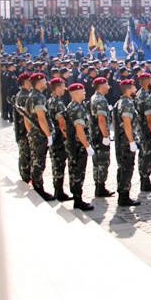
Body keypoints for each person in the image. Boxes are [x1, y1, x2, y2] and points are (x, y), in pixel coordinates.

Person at [25, 73, 56, 201]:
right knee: (39, 162)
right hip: (40, 136)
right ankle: (39, 189)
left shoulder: (31, 96)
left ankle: (37, 186)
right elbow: (41, 118)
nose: (46, 83)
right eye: (44, 81)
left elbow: (26, 117)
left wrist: (30, 131)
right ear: (38, 83)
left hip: (34, 134)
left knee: (35, 160)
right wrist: (48, 135)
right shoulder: (38, 98)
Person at [65, 83, 94, 211]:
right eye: (82, 91)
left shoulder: (71, 106)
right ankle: (78, 199)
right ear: (76, 93)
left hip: (72, 145)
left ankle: (77, 197)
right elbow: (79, 129)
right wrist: (87, 146)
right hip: (78, 146)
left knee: (73, 171)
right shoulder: (78, 108)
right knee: (78, 172)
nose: (84, 93)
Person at [113, 79, 142, 206]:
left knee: (123, 168)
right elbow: (127, 124)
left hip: (121, 141)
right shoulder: (127, 103)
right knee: (126, 169)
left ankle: (123, 195)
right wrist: (131, 141)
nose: (135, 89)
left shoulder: (120, 102)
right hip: (126, 142)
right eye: (134, 87)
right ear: (129, 89)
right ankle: (124, 196)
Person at [46, 77, 73, 202]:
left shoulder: (50, 100)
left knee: (56, 164)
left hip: (54, 137)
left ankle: (58, 189)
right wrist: (69, 139)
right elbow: (62, 123)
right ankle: (59, 192)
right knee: (60, 164)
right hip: (59, 138)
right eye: (63, 86)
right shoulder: (58, 103)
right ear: (57, 87)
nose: (64, 88)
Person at [135, 71, 151, 193]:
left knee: (143, 156)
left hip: (140, 130)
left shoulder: (139, 94)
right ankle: (145, 180)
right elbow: (149, 118)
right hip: (146, 131)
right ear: (146, 81)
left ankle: (144, 180)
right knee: (149, 157)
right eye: (150, 80)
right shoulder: (146, 97)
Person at [89, 77, 115, 198]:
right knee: (103, 162)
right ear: (101, 85)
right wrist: (105, 135)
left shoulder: (94, 98)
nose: (108, 86)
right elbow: (101, 119)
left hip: (94, 134)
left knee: (96, 162)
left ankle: (99, 186)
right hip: (100, 135)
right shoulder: (101, 100)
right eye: (106, 84)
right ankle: (101, 186)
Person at [13, 72, 33, 183]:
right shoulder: (24, 96)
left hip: (22, 129)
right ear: (26, 82)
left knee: (24, 153)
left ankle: (25, 175)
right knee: (26, 153)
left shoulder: (22, 94)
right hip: (24, 129)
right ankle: (26, 176)